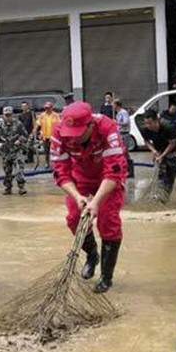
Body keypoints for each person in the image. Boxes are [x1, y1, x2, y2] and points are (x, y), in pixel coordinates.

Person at [50, 101, 127, 293]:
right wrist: (77, 197)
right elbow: (61, 172)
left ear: (91, 125)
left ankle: (106, 277)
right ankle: (92, 255)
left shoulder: (107, 128)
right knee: (74, 219)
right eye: (70, 134)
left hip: (107, 180)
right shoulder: (59, 133)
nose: (74, 139)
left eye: (78, 134)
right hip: (80, 178)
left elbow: (113, 172)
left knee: (108, 221)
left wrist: (96, 202)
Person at [140, 108, 176, 198]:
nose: (148, 126)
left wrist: (163, 155)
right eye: (146, 123)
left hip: (171, 151)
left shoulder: (168, 127)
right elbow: (146, 141)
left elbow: (172, 143)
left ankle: (166, 197)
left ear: (156, 120)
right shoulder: (145, 129)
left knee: (170, 176)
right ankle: (159, 196)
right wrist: (153, 151)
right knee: (160, 174)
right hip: (158, 150)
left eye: (150, 123)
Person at [0, 106, 29, 195]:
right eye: (6, 115)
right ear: (3, 115)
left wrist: (19, 140)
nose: (8, 117)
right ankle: (8, 188)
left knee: (19, 170)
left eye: (9, 115)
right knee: (7, 171)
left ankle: (21, 187)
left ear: (12, 115)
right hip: (5, 152)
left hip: (16, 151)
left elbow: (25, 135)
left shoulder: (18, 124)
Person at [35, 101, 61, 167]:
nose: (47, 109)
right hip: (45, 136)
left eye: (48, 108)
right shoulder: (42, 115)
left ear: (51, 108)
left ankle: (55, 163)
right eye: (46, 108)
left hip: (53, 137)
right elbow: (38, 124)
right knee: (46, 151)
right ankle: (47, 163)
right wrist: (35, 130)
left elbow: (60, 125)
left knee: (54, 151)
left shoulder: (56, 115)